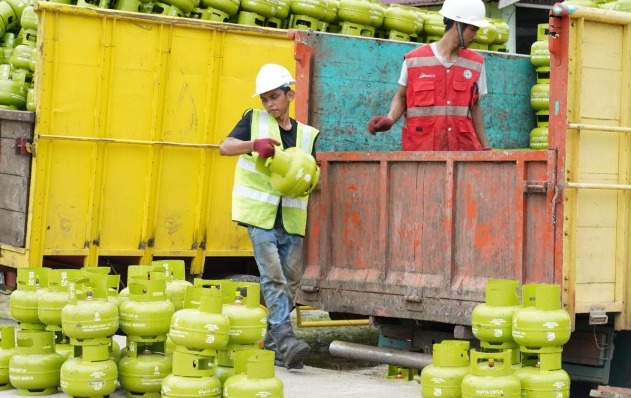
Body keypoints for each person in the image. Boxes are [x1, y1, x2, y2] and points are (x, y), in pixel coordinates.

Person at [219, 63, 319, 370]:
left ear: (290, 94)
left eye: (274, 96)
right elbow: (225, 147)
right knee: (272, 277)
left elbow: (309, 173)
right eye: (264, 98)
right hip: (260, 218)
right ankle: (286, 339)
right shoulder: (254, 121)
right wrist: (253, 145)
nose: (269, 104)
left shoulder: (306, 134)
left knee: (291, 282)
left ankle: (276, 345)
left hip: (290, 220)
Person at [366, 0, 491, 151]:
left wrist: (485, 147)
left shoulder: (476, 63)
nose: (475, 36)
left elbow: (475, 106)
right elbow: (401, 97)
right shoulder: (414, 60)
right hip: (422, 153)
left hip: (463, 153)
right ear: (457, 24)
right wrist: (390, 118)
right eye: (473, 29)